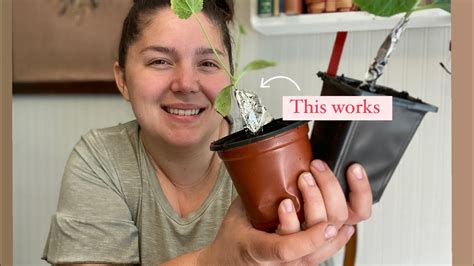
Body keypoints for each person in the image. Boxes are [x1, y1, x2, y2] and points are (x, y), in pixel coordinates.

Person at [42, 0, 373, 264]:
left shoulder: (276, 157)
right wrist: (218, 260)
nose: (186, 83)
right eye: (159, 61)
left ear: (231, 77)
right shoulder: (102, 159)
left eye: (208, 63)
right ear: (122, 80)